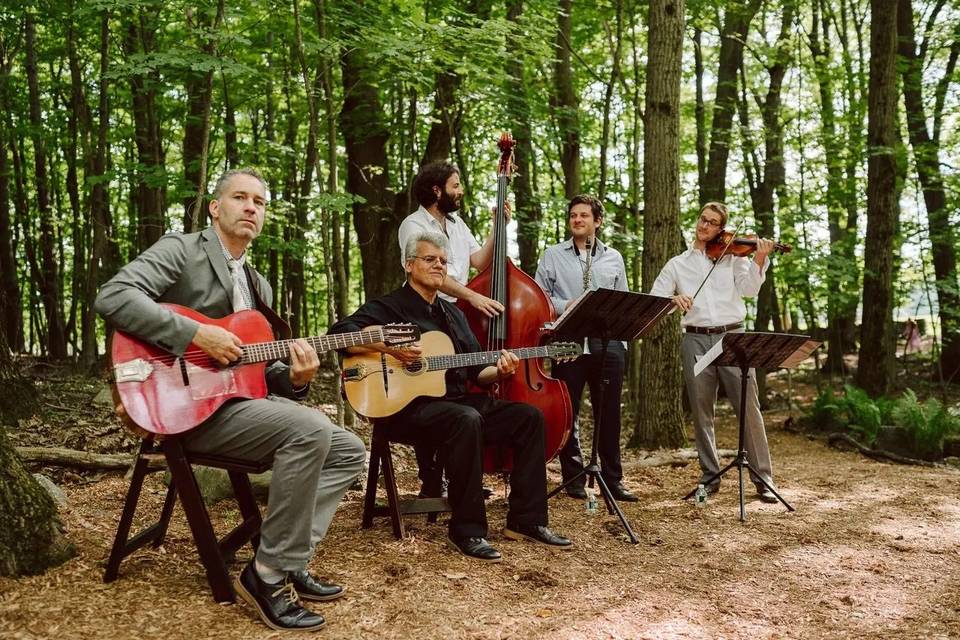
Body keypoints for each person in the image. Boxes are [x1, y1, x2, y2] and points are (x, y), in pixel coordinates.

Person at [95, 168, 366, 632]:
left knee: (349, 451)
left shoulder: (259, 284)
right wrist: (195, 332)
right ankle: (266, 576)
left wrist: (298, 379)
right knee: (312, 430)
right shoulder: (181, 249)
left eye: (259, 202)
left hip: (234, 404)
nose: (251, 208)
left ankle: (288, 554)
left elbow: (258, 374)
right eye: (240, 198)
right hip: (183, 405)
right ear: (215, 208)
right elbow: (113, 295)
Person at [331, 231, 572, 561]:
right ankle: (467, 531)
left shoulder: (454, 315)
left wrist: (500, 371)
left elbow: (477, 373)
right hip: (405, 410)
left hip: (456, 405)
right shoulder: (387, 307)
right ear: (409, 264)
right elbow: (338, 335)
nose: (439, 266)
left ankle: (527, 521)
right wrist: (389, 347)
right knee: (466, 419)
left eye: (444, 261)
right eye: (430, 259)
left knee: (528, 417)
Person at [649, 201, 778, 503]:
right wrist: (673, 300)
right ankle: (710, 476)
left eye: (712, 222)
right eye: (702, 219)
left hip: (733, 337)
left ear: (721, 229)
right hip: (695, 340)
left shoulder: (733, 257)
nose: (704, 226)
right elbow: (655, 299)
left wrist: (759, 258)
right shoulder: (677, 263)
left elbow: (749, 290)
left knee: (749, 407)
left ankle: (763, 478)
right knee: (701, 411)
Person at [397, 161, 507, 498]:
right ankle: (431, 478)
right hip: (427, 311)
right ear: (436, 189)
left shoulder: (457, 224)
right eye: (456, 185)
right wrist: (473, 296)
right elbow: (434, 273)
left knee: (459, 387)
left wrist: (497, 226)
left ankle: (460, 473)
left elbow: (479, 261)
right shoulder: (412, 224)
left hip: (456, 313)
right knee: (430, 387)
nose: (460, 192)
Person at [534, 195, 636, 502]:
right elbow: (540, 297)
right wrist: (568, 304)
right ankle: (574, 478)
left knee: (610, 415)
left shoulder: (614, 257)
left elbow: (624, 301)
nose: (577, 220)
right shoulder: (552, 255)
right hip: (568, 344)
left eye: (584, 215)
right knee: (569, 412)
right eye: (573, 215)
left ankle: (613, 479)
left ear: (597, 221)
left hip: (608, 345)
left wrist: (622, 346)